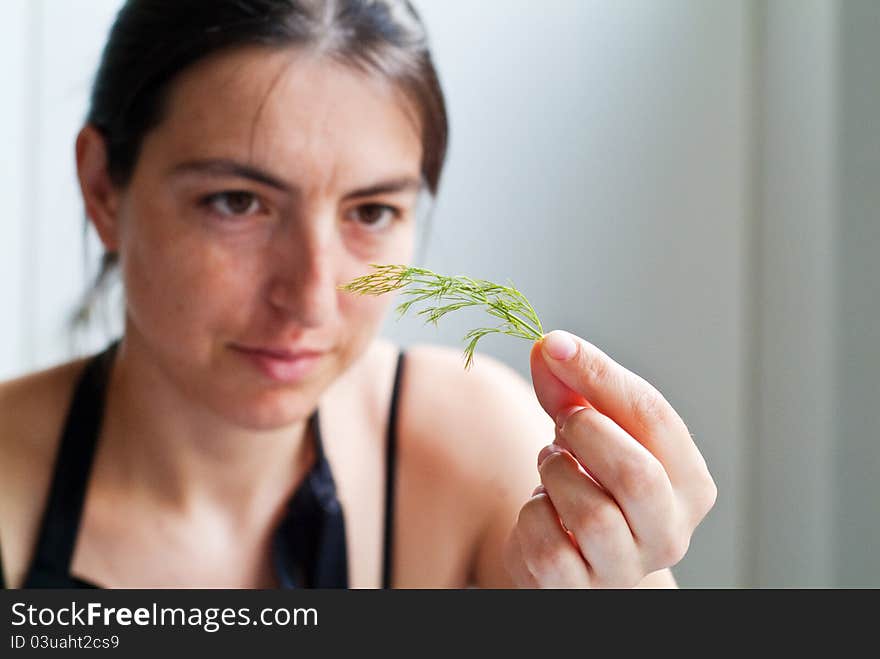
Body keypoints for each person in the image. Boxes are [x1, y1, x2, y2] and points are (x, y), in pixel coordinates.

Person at [0, 0, 716, 589]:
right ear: (102, 187)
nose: (312, 299)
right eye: (237, 202)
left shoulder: (482, 456)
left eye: (371, 212)